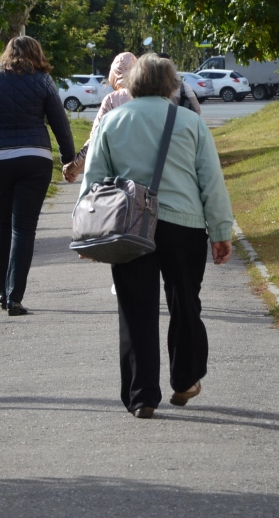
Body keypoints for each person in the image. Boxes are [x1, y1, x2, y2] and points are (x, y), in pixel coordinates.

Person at [80, 53, 235, 419]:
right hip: (184, 225)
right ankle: (184, 380)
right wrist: (221, 231)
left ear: (131, 83)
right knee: (184, 302)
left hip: (128, 227)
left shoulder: (112, 122)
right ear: (171, 85)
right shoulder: (189, 123)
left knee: (135, 308)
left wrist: (89, 233)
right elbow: (210, 180)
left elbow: (94, 180)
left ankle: (142, 396)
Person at [0, 36, 75, 317]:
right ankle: (15, 297)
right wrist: (68, 158)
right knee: (23, 228)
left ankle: (0, 290)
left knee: (2, 224)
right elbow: (60, 123)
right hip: (35, 158)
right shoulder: (44, 81)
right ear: (38, 54)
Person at [63, 52, 201, 183]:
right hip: (167, 168)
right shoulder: (170, 93)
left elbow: (95, 140)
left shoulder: (112, 99)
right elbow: (196, 115)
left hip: (123, 174)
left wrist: (74, 168)